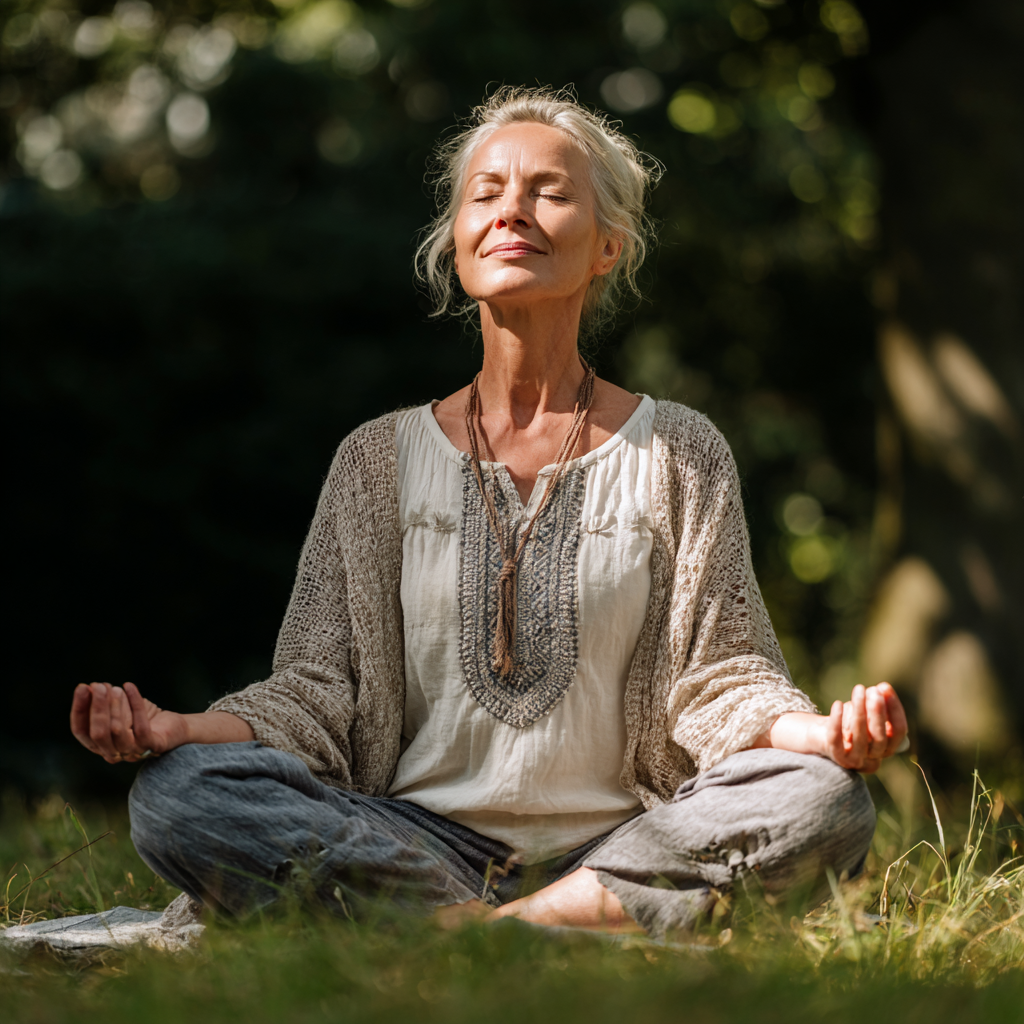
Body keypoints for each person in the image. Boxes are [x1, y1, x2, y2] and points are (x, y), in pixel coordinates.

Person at [70, 87, 907, 939]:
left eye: (550, 191)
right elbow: (316, 693)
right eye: (487, 193)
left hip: (626, 839)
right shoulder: (376, 460)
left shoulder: (680, 451)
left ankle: (477, 930)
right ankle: (541, 926)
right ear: (458, 241)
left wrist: (823, 736)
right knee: (179, 793)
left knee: (823, 798)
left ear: (608, 246)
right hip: (409, 841)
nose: (512, 211)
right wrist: (178, 728)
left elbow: (724, 677)